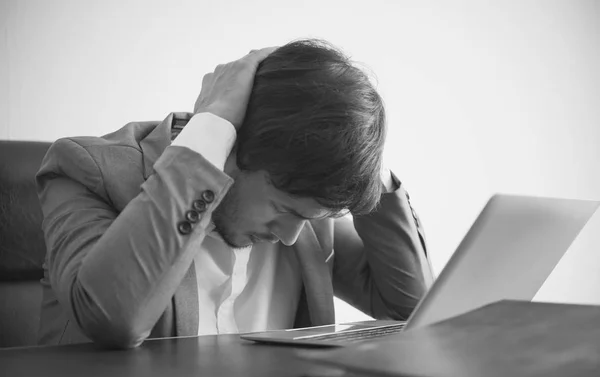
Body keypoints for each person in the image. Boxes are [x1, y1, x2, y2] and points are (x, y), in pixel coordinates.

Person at [36, 39, 433, 349]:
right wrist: (213, 126)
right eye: (281, 209)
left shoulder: (301, 206)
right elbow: (113, 321)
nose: (290, 235)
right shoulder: (87, 170)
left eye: (307, 218)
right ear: (233, 149)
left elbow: (412, 312)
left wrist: (362, 152)